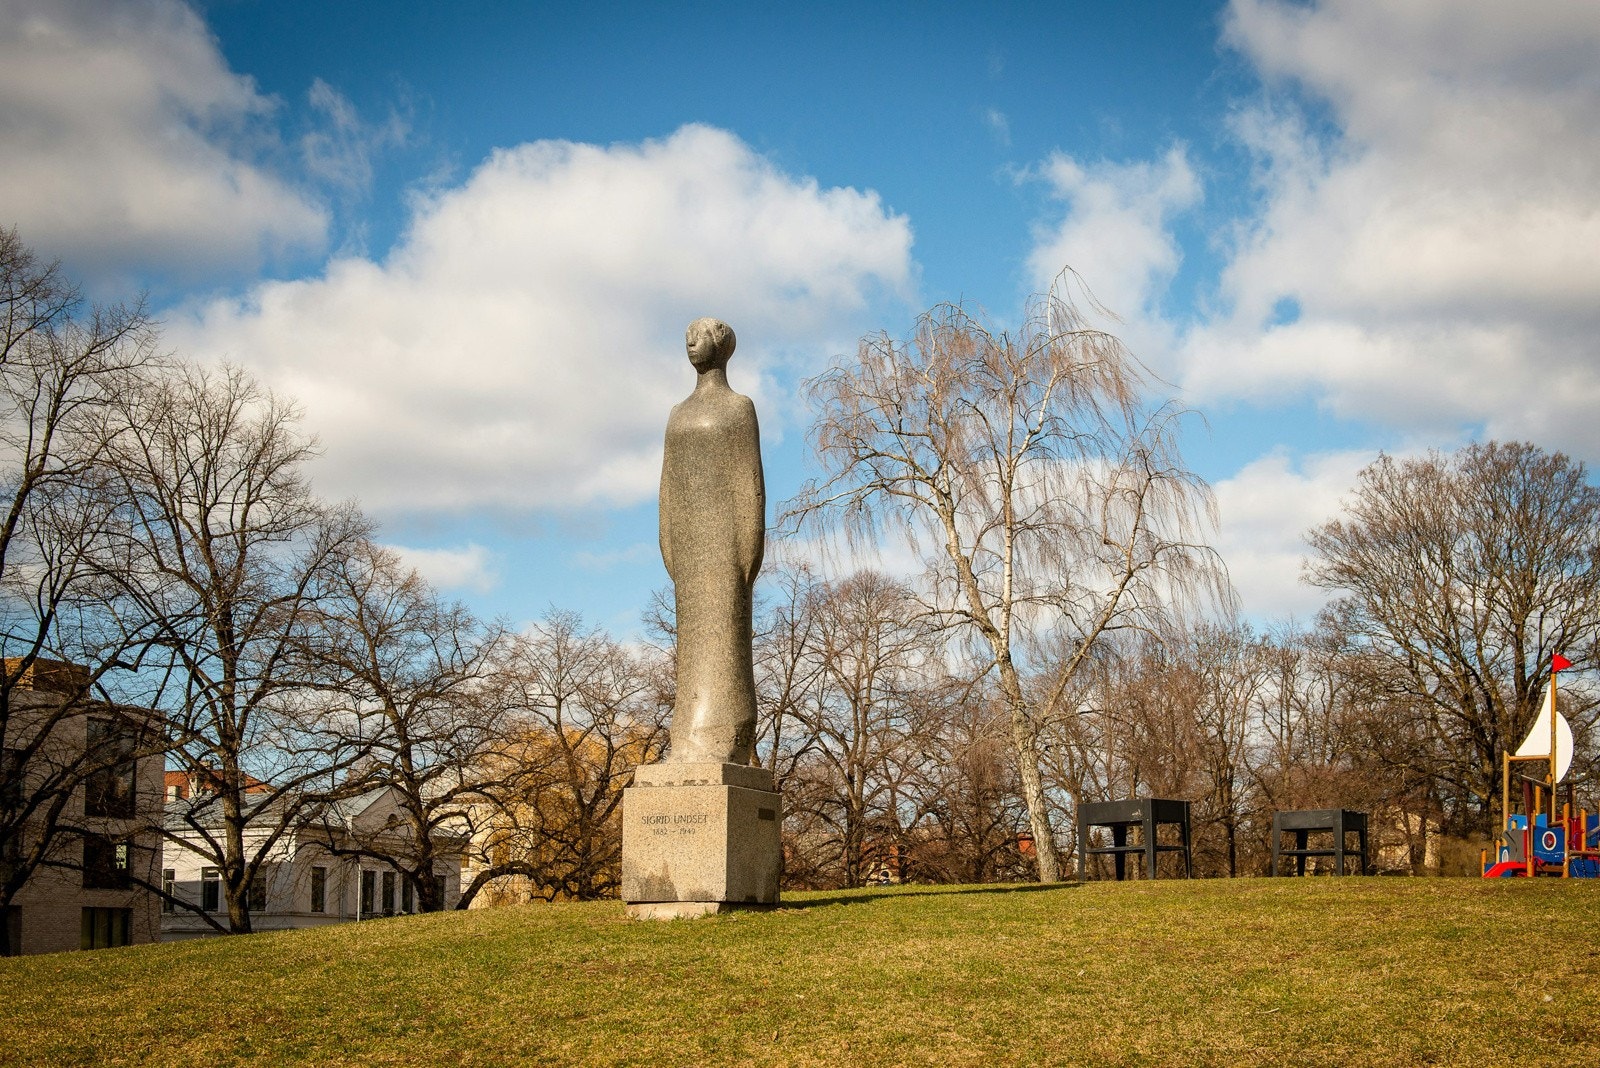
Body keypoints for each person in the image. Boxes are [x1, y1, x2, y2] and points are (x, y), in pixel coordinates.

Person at [658, 318, 765, 764]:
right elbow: (667, 484)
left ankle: (726, 735)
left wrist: (749, 548)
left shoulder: (739, 408)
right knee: (691, 646)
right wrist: (667, 539)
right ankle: (686, 738)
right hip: (687, 548)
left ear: (720, 345)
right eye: (686, 335)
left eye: (698, 335)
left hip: (725, 546)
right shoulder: (677, 413)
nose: (689, 341)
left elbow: (749, 480)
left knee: (726, 643)